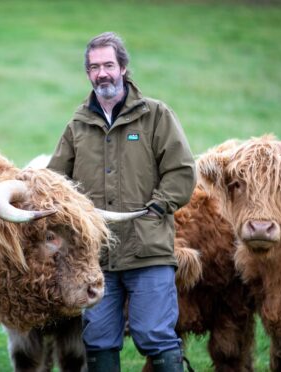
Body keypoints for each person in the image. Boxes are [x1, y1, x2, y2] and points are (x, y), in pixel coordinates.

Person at [47, 32, 196, 372]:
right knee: (97, 338)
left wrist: (158, 206)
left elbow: (182, 171)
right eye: (95, 67)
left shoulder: (156, 115)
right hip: (97, 256)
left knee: (154, 334)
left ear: (124, 68)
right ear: (88, 73)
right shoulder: (78, 124)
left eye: (109, 65)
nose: (103, 74)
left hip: (148, 248)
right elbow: (56, 181)